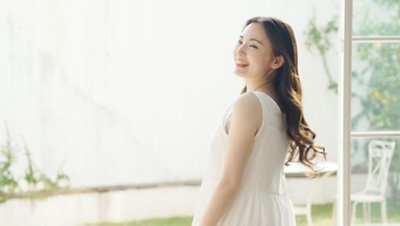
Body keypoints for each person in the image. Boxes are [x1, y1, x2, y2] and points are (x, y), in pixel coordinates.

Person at [191, 16, 326, 226]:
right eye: (240, 41)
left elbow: (230, 182)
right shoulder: (279, 108)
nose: (240, 50)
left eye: (253, 46)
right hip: (270, 214)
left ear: (277, 61)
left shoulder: (249, 104)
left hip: (240, 215)